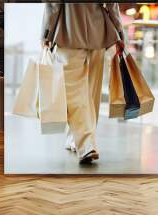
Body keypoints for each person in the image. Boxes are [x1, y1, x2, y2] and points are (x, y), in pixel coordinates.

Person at [42, 3, 125, 163]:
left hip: (69, 32)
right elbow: (112, 4)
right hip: (98, 33)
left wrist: (46, 34)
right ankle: (79, 140)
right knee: (92, 92)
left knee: (74, 93)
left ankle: (85, 144)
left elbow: (53, 5)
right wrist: (119, 32)